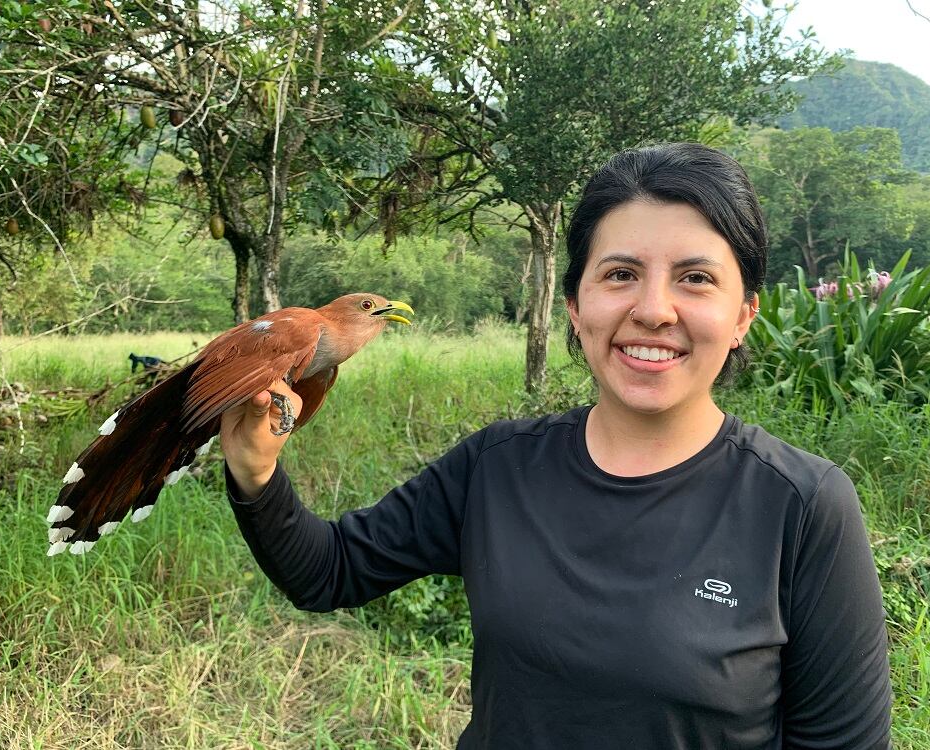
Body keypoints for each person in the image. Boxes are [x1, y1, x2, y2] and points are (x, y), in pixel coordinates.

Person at [220, 143, 893, 749]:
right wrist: (256, 473)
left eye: (695, 278)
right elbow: (329, 571)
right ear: (575, 306)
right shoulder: (497, 468)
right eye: (621, 274)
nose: (654, 310)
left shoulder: (802, 507)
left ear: (744, 313)